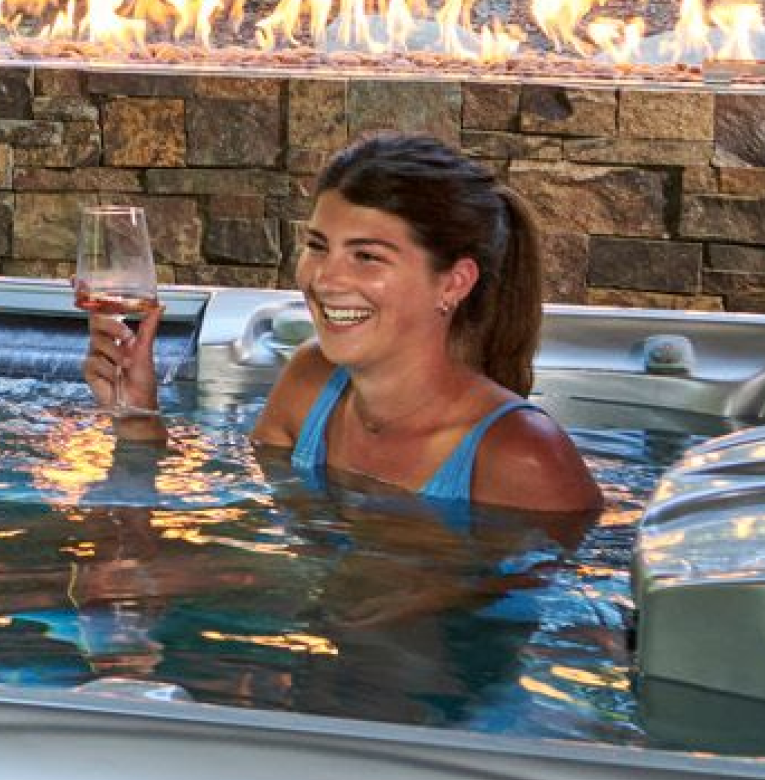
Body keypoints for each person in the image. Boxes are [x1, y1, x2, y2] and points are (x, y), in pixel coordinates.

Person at [82, 131, 603, 517]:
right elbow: (247, 525)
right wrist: (136, 418)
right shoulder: (311, 385)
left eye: (367, 256)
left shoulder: (523, 457)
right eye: (317, 247)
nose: (324, 279)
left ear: (453, 282)